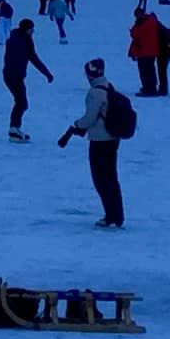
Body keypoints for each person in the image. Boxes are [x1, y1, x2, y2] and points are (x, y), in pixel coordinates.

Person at [56, 57, 125, 226]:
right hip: (113, 138)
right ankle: (117, 215)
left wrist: (75, 126)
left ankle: (110, 216)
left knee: (101, 179)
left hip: (100, 140)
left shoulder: (95, 93)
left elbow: (89, 119)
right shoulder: (109, 87)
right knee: (111, 178)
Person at [2, 17, 50, 140]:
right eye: (31, 29)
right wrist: (47, 73)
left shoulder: (19, 39)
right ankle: (13, 129)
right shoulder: (21, 42)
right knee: (21, 103)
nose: (32, 32)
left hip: (11, 75)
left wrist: (46, 73)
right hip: (14, 76)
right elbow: (32, 58)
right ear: (26, 29)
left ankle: (14, 129)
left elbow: (32, 58)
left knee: (21, 102)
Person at [126, 1, 162, 96]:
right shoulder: (152, 21)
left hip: (144, 51)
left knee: (145, 71)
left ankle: (148, 88)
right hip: (152, 50)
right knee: (150, 69)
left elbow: (136, 35)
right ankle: (151, 87)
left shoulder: (141, 24)